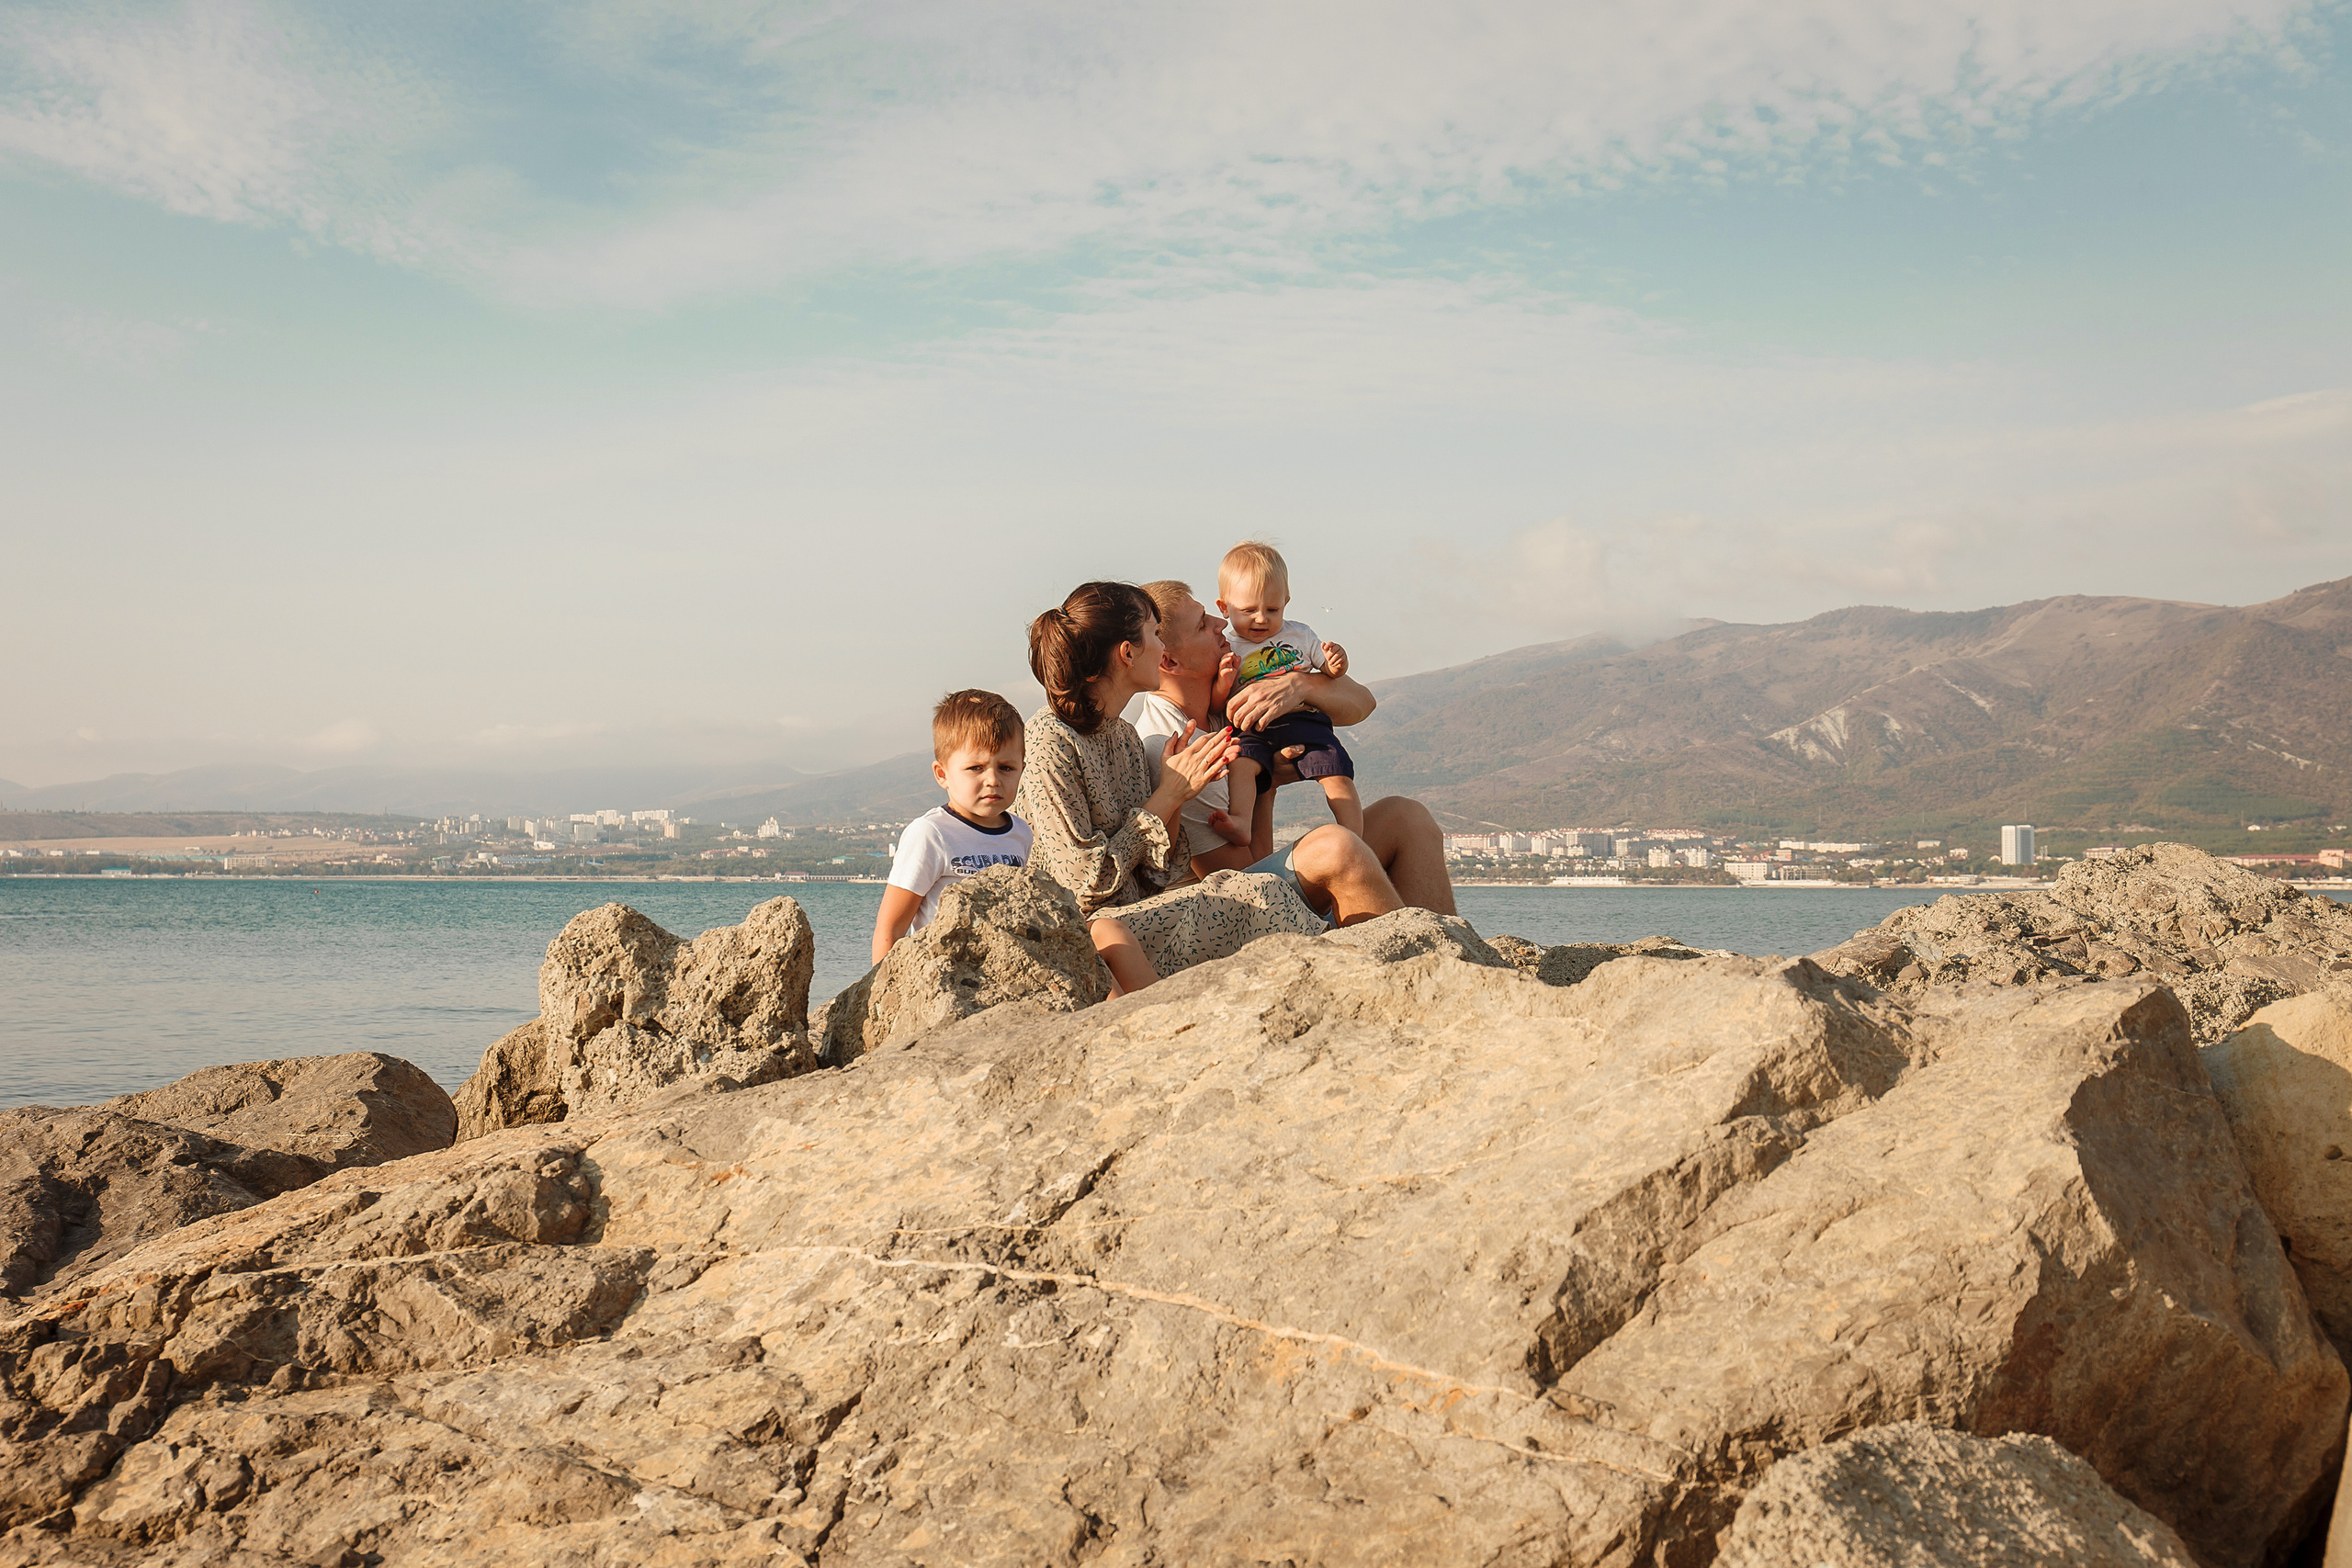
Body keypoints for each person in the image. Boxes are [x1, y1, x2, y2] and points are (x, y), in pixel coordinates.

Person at [1016, 581, 1403, 988]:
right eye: (1152, 634)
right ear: (1128, 653)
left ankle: (1444, 970)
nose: (1161, 646)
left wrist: (1174, 798)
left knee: (1399, 817)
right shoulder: (1050, 740)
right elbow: (1082, 886)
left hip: (1150, 915)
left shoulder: (1123, 736)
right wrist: (1172, 792)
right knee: (1316, 861)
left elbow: (1159, 873)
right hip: (1104, 941)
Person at [1130, 578, 1459, 916]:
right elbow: (1241, 881)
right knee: (1337, 846)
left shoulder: (1226, 697)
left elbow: (1362, 702)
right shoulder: (1175, 748)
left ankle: (1456, 959)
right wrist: (1266, 787)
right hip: (1231, 911)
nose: (1222, 623)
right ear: (1169, 662)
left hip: (1255, 887)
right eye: (1203, 624)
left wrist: (1300, 684)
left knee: (1406, 816)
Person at [1214, 540, 1361, 852]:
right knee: (1241, 765)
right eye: (1248, 610)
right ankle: (1240, 820)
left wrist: (1337, 662)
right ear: (1224, 608)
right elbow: (1218, 704)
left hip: (1304, 718)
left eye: (1272, 609)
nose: (1261, 619)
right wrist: (1223, 681)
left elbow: (1331, 675)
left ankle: (1354, 837)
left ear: (1286, 601)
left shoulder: (1300, 635)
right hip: (1253, 726)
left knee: (1336, 771)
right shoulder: (1226, 647)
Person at [871, 690, 1036, 965]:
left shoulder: (1020, 833)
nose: (993, 780)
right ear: (942, 774)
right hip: (943, 972)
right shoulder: (932, 834)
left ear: (1022, 769)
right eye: (975, 768)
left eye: (1006, 767)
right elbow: (891, 928)